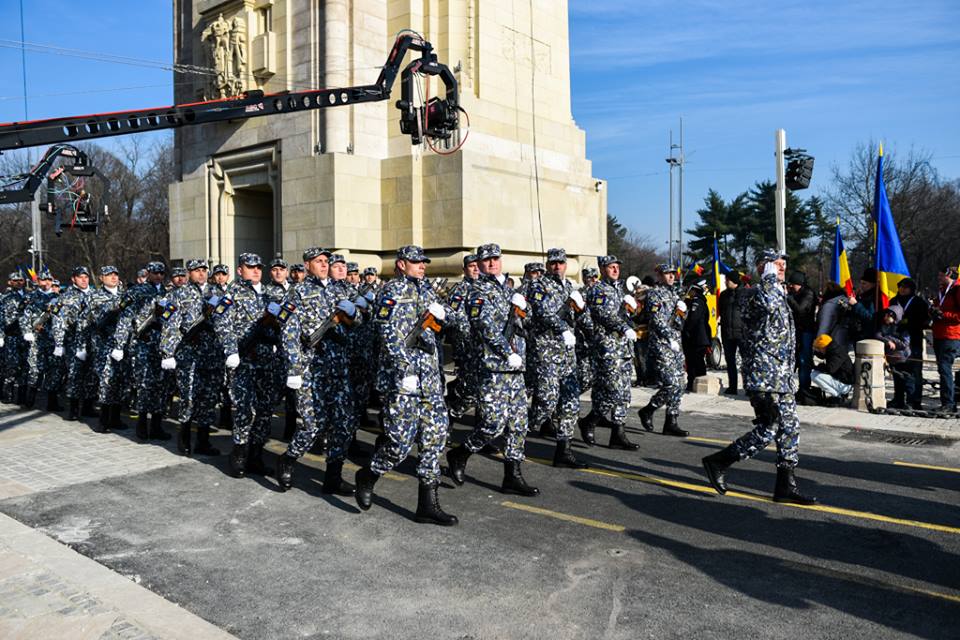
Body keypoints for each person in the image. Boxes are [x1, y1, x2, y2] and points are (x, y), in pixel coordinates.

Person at [701, 249, 817, 505]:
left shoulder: (779, 293)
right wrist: (768, 279)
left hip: (782, 376)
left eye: (783, 262)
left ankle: (785, 485)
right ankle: (719, 461)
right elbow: (768, 304)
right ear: (763, 267)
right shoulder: (754, 293)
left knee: (790, 428)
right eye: (776, 263)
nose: (782, 266)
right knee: (769, 427)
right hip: (763, 376)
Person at [354, 245, 458, 525]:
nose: (422, 265)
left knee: (435, 439)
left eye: (424, 262)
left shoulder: (428, 290)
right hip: (403, 381)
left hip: (430, 379)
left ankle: (427, 505)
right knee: (399, 443)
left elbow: (453, 320)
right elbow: (386, 333)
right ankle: (368, 475)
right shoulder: (390, 291)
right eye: (416, 262)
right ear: (401, 264)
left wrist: (445, 315)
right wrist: (405, 369)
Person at [446, 243, 539, 496]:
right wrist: (507, 353)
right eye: (486, 260)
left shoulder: (510, 290)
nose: (491, 263)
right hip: (493, 367)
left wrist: (525, 308)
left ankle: (512, 475)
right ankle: (460, 453)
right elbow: (485, 327)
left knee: (518, 423)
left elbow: (527, 322)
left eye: (495, 258)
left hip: (516, 366)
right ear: (479, 264)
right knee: (493, 423)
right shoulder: (477, 291)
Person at [274, 247, 358, 493]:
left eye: (326, 261)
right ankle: (288, 459)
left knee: (342, 423)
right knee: (312, 425)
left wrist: (355, 314)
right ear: (307, 265)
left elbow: (358, 323)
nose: (324, 264)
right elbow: (289, 334)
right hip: (311, 369)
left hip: (338, 367)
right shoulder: (297, 292)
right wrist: (294, 369)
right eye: (318, 261)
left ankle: (333, 476)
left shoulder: (340, 290)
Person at [212, 253, 284, 476]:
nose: (255, 271)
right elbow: (222, 322)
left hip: (267, 361)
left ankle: (256, 456)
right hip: (244, 360)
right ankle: (239, 453)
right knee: (245, 409)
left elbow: (284, 326)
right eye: (250, 267)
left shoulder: (271, 294)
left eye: (258, 267)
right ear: (240, 270)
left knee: (265, 410)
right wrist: (231, 350)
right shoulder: (232, 293)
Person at [526, 247, 588, 468]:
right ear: (547, 265)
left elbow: (580, 318)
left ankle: (564, 451)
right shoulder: (538, 286)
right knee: (546, 399)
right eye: (553, 263)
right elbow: (543, 312)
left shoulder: (570, 287)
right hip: (546, 352)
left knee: (570, 403)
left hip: (567, 354)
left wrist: (582, 309)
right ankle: (518, 429)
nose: (557, 266)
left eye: (560, 263)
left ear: (566, 265)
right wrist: (562, 329)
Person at [159, 259, 223, 456]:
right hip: (189, 354)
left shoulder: (218, 293)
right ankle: (184, 438)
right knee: (188, 397)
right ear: (189, 273)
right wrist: (168, 352)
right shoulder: (179, 294)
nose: (201, 273)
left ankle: (203, 441)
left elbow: (227, 323)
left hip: (212, 354)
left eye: (204, 270)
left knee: (209, 398)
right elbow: (171, 325)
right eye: (197, 270)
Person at [579, 255, 640, 449]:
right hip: (607, 347)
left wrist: (632, 311)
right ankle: (589, 421)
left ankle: (618, 434)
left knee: (624, 393)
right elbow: (603, 314)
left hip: (623, 348)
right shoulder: (597, 289)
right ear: (602, 269)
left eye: (617, 267)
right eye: (611, 267)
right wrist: (624, 327)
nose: (615, 270)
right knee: (613, 391)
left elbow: (624, 314)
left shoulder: (620, 289)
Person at [112, 262, 172, 441]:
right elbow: (125, 318)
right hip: (142, 344)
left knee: (161, 386)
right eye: (155, 273)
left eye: (161, 273)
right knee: (144, 384)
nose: (159, 276)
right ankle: (142, 424)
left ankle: (156, 426)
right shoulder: (137, 292)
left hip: (161, 346)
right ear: (148, 273)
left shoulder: (168, 293)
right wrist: (119, 344)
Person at [636, 264, 688, 437]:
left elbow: (679, 322)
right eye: (667, 273)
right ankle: (648, 410)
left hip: (676, 344)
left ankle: (671, 421)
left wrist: (682, 312)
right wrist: (669, 337)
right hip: (661, 344)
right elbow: (656, 320)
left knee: (680, 384)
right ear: (659, 276)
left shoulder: (675, 294)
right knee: (671, 383)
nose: (672, 276)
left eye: (673, 273)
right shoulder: (654, 294)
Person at [53, 266, 96, 421]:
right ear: (73, 279)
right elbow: (59, 320)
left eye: (86, 277)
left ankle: (88, 406)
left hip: (93, 341)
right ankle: (74, 408)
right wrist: (59, 343)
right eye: (80, 277)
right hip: (74, 342)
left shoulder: (95, 294)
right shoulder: (66, 296)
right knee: (75, 374)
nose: (84, 280)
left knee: (91, 375)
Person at [445, 254, 480, 422]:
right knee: (470, 390)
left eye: (478, 265)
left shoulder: (485, 288)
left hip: (484, 347)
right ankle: (451, 414)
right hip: (467, 347)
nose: (476, 269)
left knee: (484, 391)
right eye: (472, 266)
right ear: (464, 270)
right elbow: (455, 318)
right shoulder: (459, 291)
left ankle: (482, 427)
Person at [890, 277, 929, 410]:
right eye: (900, 286)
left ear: (911, 289)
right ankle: (898, 398)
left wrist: (906, 322)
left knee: (914, 371)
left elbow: (923, 320)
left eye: (905, 287)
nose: (902, 289)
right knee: (897, 370)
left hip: (913, 340)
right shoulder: (894, 301)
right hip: (897, 340)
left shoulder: (918, 302)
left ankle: (914, 400)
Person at [930, 265, 960, 412]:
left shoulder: (957, 290)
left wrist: (943, 314)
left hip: (951, 335)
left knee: (945, 368)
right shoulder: (942, 291)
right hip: (939, 333)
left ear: (949, 275)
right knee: (942, 370)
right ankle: (947, 402)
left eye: (941, 275)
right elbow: (939, 306)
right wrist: (933, 311)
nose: (939, 278)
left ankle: (949, 403)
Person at [786, 271, 817, 399]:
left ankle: (804, 388)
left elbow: (800, 310)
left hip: (806, 331)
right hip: (797, 331)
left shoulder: (808, 294)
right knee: (796, 360)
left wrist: (788, 297)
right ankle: (797, 387)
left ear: (799, 283)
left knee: (804, 360)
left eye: (792, 284)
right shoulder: (796, 293)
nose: (790, 287)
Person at [875, 305, 912, 408]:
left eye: (888, 316)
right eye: (885, 315)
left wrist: (890, 339)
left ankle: (909, 402)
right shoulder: (885, 325)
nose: (885, 317)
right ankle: (898, 400)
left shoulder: (902, 328)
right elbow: (878, 335)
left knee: (904, 380)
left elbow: (904, 344)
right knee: (897, 380)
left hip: (902, 357)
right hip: (892, 357)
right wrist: (887, 340)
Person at [681, 279, 710, 392]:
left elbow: (693, 319)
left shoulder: (697, 302)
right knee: (693, 361)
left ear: (695, 290)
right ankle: (693, 383)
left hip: (697, 337)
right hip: (696, 337)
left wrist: (686, 330)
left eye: (691, 290)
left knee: (696, 362)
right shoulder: (695, 301)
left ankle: (697, 383)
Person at [717, 271, 744, 394]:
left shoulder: (744, 294)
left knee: (746, 362)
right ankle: (732, 387)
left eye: (727, 280)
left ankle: (748, 387)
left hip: (742, 333)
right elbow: (721, 311)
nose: (725, 282)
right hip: (727, 333)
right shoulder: (723, 295)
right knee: (730, 361)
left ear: (734, 281)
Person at [810, 334, 853, 402]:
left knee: (814, 375)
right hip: (841, 380)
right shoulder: (833, 348)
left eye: (818, 348)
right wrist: (815, 353)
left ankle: (837, 396)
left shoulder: (836, 353)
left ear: (823, 347)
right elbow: (823, 355)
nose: (818, 350)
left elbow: (830, 369)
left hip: (844, 385)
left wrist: (817, 366)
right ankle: (838, 395)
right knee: (817, 372)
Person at [848, 267, 878, 343]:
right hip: (858, 334)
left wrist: (855, 304)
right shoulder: (863, 295)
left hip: (867, 337)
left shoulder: (874, 298)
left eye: (864, 283)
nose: (861, 285)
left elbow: (870, 317)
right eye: (861, 283)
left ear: (873, 284)